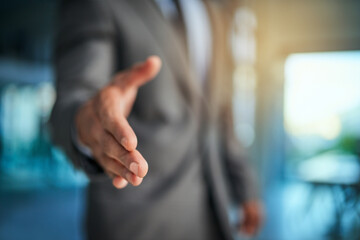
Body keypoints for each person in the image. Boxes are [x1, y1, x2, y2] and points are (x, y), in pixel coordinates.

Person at [50, 0, 263, 239]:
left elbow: (220, 112)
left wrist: (246, 187)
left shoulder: (214, 12)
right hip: (138, 221)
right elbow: (73, 99)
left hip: (213, 215)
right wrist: (90, 124)